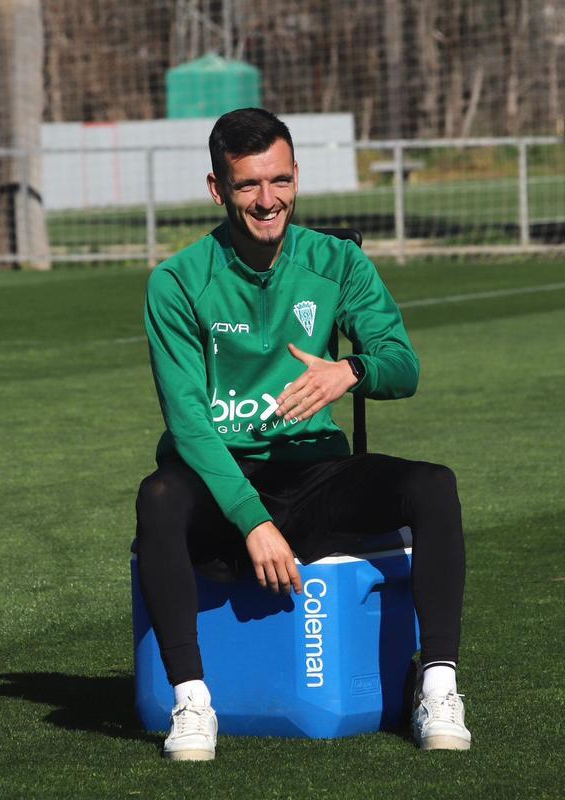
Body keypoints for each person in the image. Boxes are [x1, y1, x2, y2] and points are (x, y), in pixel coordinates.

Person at [135, 107, 469, 761]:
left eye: (280, 181)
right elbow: (189, 423)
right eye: (249, 185)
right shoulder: (176, 282)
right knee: (158, 498)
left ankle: (437, 686)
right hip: (222, 480)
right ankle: (192, 701)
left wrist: (350, 370)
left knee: (434, 487)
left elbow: (403, 367)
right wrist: (253, 520)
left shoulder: (335, 261)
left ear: (296, 177)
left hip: (314, 473)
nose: (268, 201)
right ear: (217, 189)